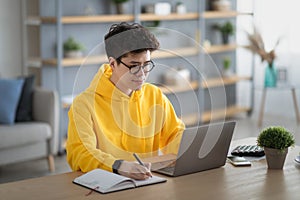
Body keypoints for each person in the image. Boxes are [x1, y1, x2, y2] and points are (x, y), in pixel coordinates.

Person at [66, 22, 185, 180]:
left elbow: (175, 135)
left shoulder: (155, 95)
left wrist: (196, 148)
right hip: (108, 186)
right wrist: (118, 166)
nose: (142, 74)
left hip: (148, 183)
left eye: (146, 65)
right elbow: (80, 153)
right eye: (134, 66)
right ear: (113, 63)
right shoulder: (83, 104)